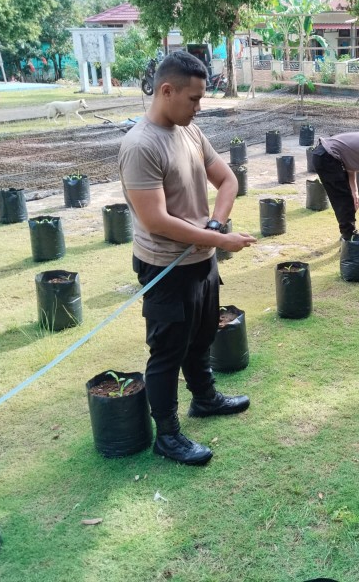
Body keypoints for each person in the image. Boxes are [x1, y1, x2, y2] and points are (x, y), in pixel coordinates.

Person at [119, 52, 257, 466]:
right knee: (167, 354)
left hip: (201, 260)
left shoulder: (191, 133)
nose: (199, 107)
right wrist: (220, 239)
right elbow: (155, 220)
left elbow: (227, 178)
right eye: (194, 98)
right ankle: (168, 436)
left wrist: (216, 226)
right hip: (165, 268)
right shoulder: (141, 146)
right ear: (167, 91)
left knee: (201, 337)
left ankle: (205, 398)